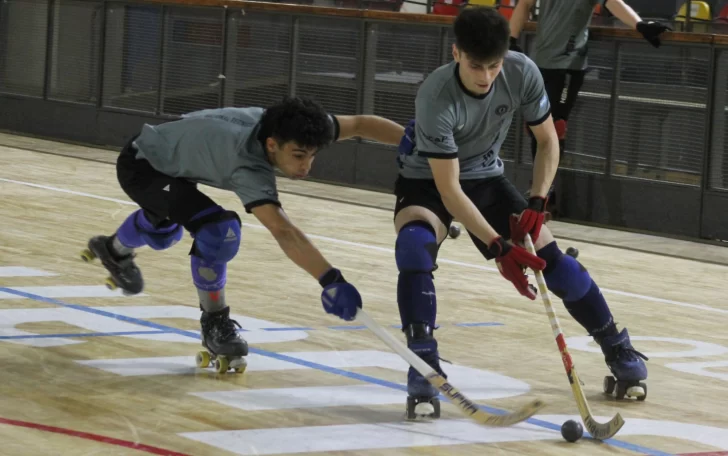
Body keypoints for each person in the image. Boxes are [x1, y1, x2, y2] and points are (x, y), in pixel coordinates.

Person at [395, 6, 648, 418]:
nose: (486, 77)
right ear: (456, 53)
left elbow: (548, 142)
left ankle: (616, 345)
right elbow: (450, 190)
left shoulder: (521, 71)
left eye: (494, 66)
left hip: (487, 177)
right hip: (429, 180)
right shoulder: (435, 95)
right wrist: (498, 247)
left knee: (556, 264)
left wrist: (536, 200)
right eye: (476, 66)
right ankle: (422, 363)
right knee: (414, 250)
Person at [80, 96, 404, 372]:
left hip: (173, 149)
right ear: (272, 145)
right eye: (298, 156)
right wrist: (331, 279)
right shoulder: (246, 164)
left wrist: (420, 145)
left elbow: (362, 124)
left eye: (313, 155)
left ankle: (113, 249)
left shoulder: (290, 125)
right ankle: (214, 322)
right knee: (220, 233)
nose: (307, 166)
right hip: (142, 165)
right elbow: (284, 231)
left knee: (165, 229)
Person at [509, 0, 670, 214]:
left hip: (569, 64)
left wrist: (640, 25)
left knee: (555, 126)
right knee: (535, 125)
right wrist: (510, 39)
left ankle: (543, 191)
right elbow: (524, 4)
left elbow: (613, 2)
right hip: (540, 60)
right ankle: (541, 188)